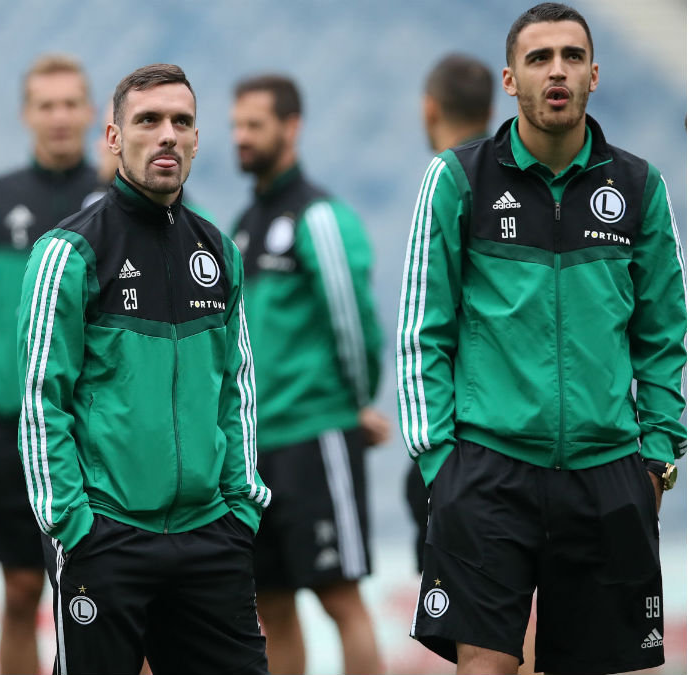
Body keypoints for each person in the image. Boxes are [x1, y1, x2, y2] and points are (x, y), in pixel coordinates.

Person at [397, 4, 685, 673]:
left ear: (593, 74)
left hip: (608, 472)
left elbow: (663, 329)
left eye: (571, 56)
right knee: (487, 665)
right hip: (488, 470)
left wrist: (658, 455)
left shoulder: (640, 187)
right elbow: (421, 332)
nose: (556, 69)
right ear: (509, 78)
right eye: (538, 57)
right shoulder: (457, 180)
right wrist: (442, 462)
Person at [18, 63, 270, 675]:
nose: (167, 135)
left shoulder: (219, 251)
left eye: (181, 121)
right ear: (112, 139)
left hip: (211, 534)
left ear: (196, 138)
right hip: (108, 536)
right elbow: (39, 399)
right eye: (148, 120)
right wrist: (71, 524)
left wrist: (241, 507)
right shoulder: (68, 252)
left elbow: (235, 389)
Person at [229, 74, 386, 675]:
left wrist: (352, 403)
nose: (241, 137)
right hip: (256, 447)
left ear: (291, 127)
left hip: (314, 436)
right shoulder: (244, 224)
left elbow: (355, 325)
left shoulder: (320, 216)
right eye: (237, 125)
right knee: (271, 605)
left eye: (255, 125)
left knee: (339, 595)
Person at [0, 52, 97, 675]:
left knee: (108, 592)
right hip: (12, 431)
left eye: (70, 104)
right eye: (47, 105)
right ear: (27, 114)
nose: (59, 117)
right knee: (18, 593)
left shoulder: (120, 196)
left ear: (92, 114)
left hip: (96, 434)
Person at [406, 53, 495, 573]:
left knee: (480, 610)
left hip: (463, 441)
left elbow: (420, 327)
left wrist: (435, 459)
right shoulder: (525, 186)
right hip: (520, 442)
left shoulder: (443, 183)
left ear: (429, 108)